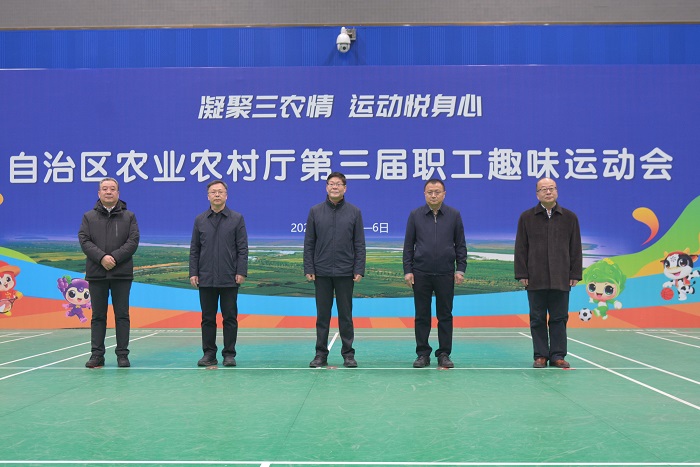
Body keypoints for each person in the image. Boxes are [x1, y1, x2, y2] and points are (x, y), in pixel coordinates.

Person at [514, 177, 582, 369]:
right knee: (537, 318)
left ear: (557, 191)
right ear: (537, 194)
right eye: (543, 189)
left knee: (559, 318)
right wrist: (522, 273)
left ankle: (558, 355)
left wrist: (575, 273)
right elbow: (521, 247)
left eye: (551, 188)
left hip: (561, 277)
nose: (548, 192)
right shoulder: (527, 217)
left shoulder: (570, 217)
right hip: (535, 277)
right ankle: (541, 355)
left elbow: (575, 247)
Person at [403, 179, 467, 369]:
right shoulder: (415, 215)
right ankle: (422, 354)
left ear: (444, 194)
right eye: (430, 192)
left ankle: (444, 354)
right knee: (422, 315)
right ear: (424, 194)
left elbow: (460, 244)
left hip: (446, 273)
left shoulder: (454, 215)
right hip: (421, 273)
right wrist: (408, 270)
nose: (433, 195)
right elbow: (408, 246)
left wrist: (460, 268)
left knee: (445, 315)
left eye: (437, 192)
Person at [304, 172, 366, 368]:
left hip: (345, 272)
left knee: (345, 316)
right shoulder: (315, 211)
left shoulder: (354, 212)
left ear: (345, 188)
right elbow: (309, 243)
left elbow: (359, 243)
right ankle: (320, 354)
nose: (335, 187)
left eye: (339, 184)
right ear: (326, 187)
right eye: (331, 184)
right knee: (322, 316)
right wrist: (309, 267)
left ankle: (348, 354)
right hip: (321, 271)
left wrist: (359, 268)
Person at [79, 177, 140, 368]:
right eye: (104, 189)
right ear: (99, 193)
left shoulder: (129, 216)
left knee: (122, 315)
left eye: (112, 189)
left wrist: (113, 257)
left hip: (121, 273)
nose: (108, 192)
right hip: (97, 273)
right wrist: (102, 258)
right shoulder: (89, 217)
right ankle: (97, 355)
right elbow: (84, 240)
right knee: (98, 316)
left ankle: (122, 355)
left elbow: (133, 241)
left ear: (118, 193)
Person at [190, 180, 248, 367]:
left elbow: (242, 248)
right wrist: (193, 272)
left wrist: (241, 271)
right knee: (207, 318)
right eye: (213, 192)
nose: (217, 195)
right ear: (208, 196)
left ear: (226, 196)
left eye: (220, 192)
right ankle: (209, 354)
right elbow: (195, 249)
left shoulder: (236, 218)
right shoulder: (200, 220)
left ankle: (229, 354)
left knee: (229, 318)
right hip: (206, 277)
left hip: (229, 277)